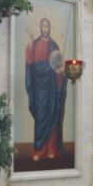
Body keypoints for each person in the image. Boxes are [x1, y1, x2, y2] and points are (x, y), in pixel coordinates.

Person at [25, 17, 67, 161]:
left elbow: (59, 66)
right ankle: (38, 150)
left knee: (52, 114)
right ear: (40, 27)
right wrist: (30, 45)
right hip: (38, 87)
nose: (44, 29)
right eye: (42, 26)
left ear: (49, 28)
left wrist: (60, 72)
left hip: (51, 86)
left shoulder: (54, 46)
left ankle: (51, 148)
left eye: (46, 26)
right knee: (40, 117)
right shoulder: (35, 43)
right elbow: (30, 63)